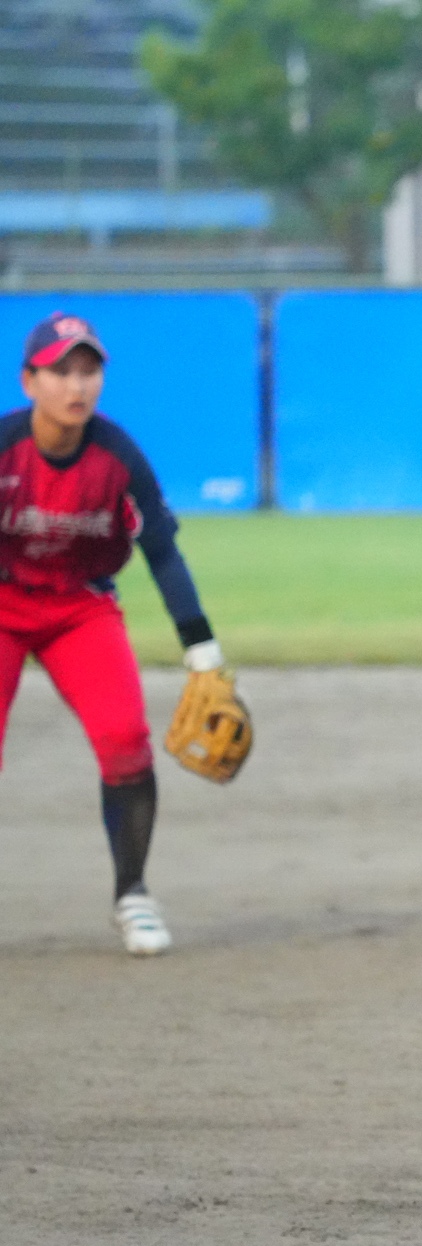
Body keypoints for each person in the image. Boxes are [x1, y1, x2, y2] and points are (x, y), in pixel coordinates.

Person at [2, 312, 226, 955]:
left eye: (88, 370)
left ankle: (133, 895)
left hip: (81, 608)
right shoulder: (5, 448)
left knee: (125, 740)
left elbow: (162, 553)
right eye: (60, 372)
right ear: (29, 382)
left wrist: (202, 649)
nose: (77, 386)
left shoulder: (117, 458)